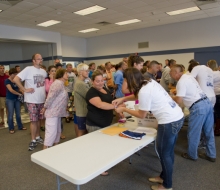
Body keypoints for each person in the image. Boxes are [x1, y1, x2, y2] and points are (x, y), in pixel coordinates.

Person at [113, 68, 184, 190]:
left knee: (164, 153)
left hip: (168, 121)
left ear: (130, 80)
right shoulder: (148, 81)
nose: (123, 83)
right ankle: (164, 177)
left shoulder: (144, 91)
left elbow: (142, 115)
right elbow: (137, 94)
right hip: (177, 117)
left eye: (125, 80)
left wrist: (124, 109)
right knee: (168, 151)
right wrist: (123, 99)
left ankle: (167, 185)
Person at [170, 64, 216, 162]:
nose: (170, 74)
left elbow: (178, 100)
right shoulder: (188, 77)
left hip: (198, 107)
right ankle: (211, 154)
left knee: (193, 132)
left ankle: (192, 155)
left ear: (176, 72)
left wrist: (170, 97)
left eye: (171, 72)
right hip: (207, 102)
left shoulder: (181, 82)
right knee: (208, 131)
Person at [14, 53, 47, 151]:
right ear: (33, 60)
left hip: (41, 100)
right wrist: (24, 89)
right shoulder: (28, 69)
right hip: (31, 100)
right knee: (33, 120)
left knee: (39, 120)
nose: (40, 60)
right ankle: (33, 140)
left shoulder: (43, 72)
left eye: (41, 59)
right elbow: (16, 79)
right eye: (38, 59)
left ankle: (37, 137)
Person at [41, 69, 68, 149]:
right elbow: (50, 97)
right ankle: (45, 152)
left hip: (57, 112)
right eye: (66, 73)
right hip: (52, 112)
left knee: (57, 132)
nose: (68, 75)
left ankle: (55, 150)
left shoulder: (61, 83)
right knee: (51, 133)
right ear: (61, 75)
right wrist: (45, 107)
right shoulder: (57, 84)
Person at [5, 68, 26, 133]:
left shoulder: (16, 80)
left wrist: (23, 91)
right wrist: (19, 93)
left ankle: (20, 126)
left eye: (16, 74)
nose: (15, 75)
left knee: (18, 113)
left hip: (17, 99)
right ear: (11, 74)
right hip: (10, 99)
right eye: (14, 74)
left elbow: (19, 88)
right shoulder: (7, 81)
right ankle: (11, 128)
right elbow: (11, 90)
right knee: (11, 114)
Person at [74, 63, 92, 137]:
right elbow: (89, 96)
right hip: (82, 112)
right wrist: (91, 83)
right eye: (86, 71)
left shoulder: (82, 82)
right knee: (81, 133)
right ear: (80, 72)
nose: (88, 72)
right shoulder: (80, 84)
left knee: (84, 133)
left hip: (83, 111)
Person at [207, 60, 220, 135]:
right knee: (219, 112)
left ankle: (211, 128)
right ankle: (217, 128)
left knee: (212, 112)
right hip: (219, 93)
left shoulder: (210, 74)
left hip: (212, 94)